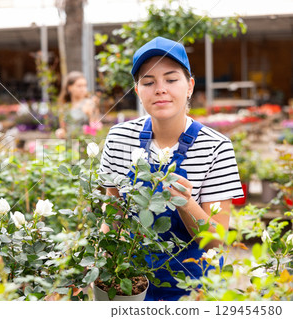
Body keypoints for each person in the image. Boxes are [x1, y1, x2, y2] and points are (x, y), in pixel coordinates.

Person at [99, 37, 244, 301]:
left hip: (193, 287)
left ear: (189, 86)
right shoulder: (119, 138)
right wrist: (104, 269)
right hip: (131, 283)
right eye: (148, 82)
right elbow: (113, 212)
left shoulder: (216, 147)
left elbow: (215, 241)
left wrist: (185, 202)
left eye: (171, 79)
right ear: (137, 90)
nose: (160, 89)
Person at [55, 71, 101, 139]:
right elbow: (64, 129)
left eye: (85, 86)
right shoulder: (64, 107)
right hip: (70, 145)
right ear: (69, 87)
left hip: (85, 143)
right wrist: (60, 132)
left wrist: (90, 114)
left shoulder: (89, 103)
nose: (83, 89)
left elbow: (97, 129)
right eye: (79, 86)